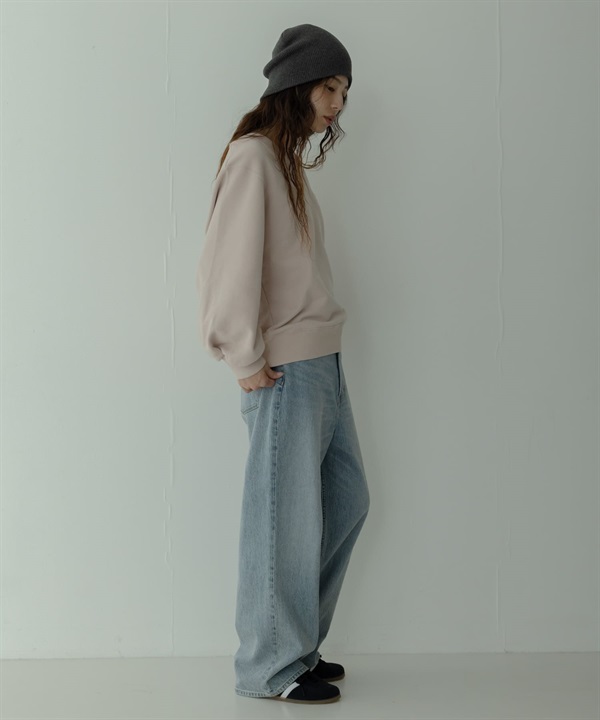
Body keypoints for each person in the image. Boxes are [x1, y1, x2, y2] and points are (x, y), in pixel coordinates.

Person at [196, 23, 370, 705]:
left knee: (346, 500)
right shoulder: (253, 158)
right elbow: (227, 264)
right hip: (285, 367)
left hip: (322, 361)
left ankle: (294, 645)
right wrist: (243, 354)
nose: (338, 103)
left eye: (344, 92)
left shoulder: (286, 164)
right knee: (282, 518)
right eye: (330, 88)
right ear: (297, 84)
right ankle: (269, 666)